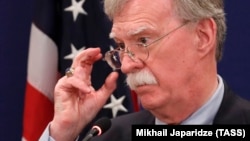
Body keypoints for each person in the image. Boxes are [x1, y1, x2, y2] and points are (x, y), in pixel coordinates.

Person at [40, 0, 250, 140]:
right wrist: (62, 133)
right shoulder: (107, 136)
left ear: (202, 36)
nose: (127, 65)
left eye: (143, 40)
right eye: (121, 47)